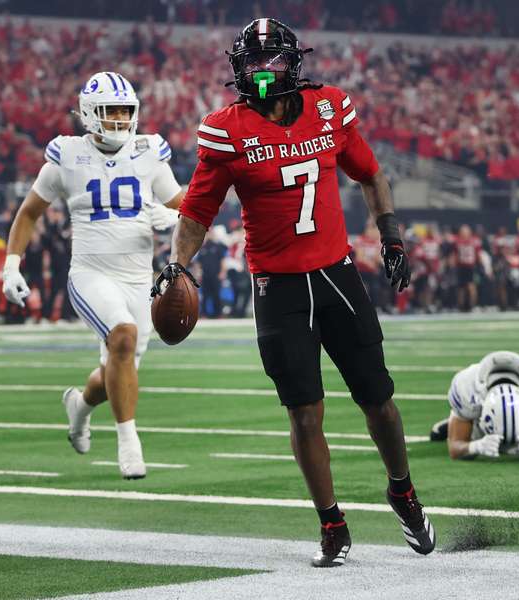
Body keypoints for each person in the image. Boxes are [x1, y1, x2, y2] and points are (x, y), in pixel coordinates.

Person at [164, 19, 434, 567]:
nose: (263, 74)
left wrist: (392, 236)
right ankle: (331, 523)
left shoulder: (329, 108)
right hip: (278, 287)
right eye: (252, 65)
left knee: (378, 400)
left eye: (272, 63)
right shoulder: (225, 130)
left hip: (337, 274)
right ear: (238, 69)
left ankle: (402, 490)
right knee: (305, 413)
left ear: (294, 63)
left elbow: (371, 174)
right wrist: (176, 266)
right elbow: (196, 211)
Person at [2, 71, 183, 479]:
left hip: (139, 279)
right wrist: (11, 265)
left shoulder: (148, 152)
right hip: (90, 273)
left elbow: (185, 202)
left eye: (124, 110)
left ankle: (79, 407)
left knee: (117, 366)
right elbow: (29, 212)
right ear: (88, 113)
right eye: (110, 110)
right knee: (123, 336)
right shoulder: (67, 155)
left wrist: (173, 215)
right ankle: (129, 442)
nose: (119, 118)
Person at [429, 351, 519, 459]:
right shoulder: (467, 388)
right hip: (475, 411)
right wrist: (476, 446)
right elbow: (455, 449)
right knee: (445, 439)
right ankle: (462, 421)